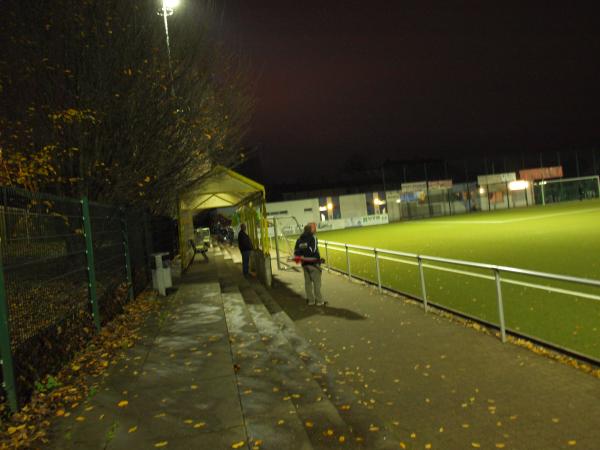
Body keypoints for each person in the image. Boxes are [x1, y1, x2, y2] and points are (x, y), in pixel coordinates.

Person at [294, 222, 327, 306]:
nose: (315, 229)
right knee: (317, 283)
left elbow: (296, 252)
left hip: (304, 264)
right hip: (313, 264)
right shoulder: (313, 238)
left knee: (307, 283)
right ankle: (319, 301)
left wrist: (302, 257)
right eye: (314, 228)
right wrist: (318, 260)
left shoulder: (299, 239)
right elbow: (313, 250)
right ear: (310, 229)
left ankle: (311, 301)